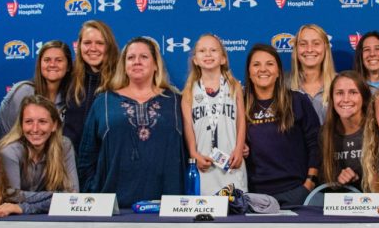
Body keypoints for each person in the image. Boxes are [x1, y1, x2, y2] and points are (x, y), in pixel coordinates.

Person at [78, 37, 185, 207]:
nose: (137, 62)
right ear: (124, 66)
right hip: (113, 207)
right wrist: (93, 195)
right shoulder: (104, 101)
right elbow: (86, 156)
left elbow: (192, 149)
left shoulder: (176, 101)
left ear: (156, 64)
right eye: (130, 57)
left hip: (169, 207)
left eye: (144, 57)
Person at [244, 43, 320, 207]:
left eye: (269, 64)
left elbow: (316, 143)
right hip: (254, 195)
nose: (263, 69)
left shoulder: (297, 101)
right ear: (249, 73)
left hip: (295, 193)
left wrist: (309, 183)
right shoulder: (239, 105)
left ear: (278, 71)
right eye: (256, 64)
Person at [180, 34, 247, 194]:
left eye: (213, 50)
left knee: (236, 212)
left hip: (231, 161)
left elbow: (241, 121)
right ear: (195, 60)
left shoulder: (234, 86)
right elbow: (188, 125)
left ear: (223, 58)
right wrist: (193, 153)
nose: (208, 54)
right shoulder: (189, 91)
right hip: (204, 163)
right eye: (202, 51)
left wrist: (239, 148)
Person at [0, 95, 78, 192]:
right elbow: (13, 197)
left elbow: (72, 194)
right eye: (29, 122)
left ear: (54, 125)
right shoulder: (9, 152)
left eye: (42, 122)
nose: (35, 129)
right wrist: (53, 196)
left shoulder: (64, 145)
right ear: (21, 125)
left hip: (46, 207)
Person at [63, 20, 120, 153]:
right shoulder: (68, 77)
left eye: (100, 43)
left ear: (109, 46)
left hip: (107, 162)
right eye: (87, 43)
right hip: (71, 163)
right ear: (79, 46)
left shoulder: (122, 79)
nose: (93, 48)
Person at [0, 40, 73, 135]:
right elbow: (4, 131)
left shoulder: (72, 97)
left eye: (59, 60)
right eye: (47, 60)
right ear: (40, 64)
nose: (52, 64)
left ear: (68, 66)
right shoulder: (23, 91)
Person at [320, 71, 369, 188]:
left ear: (364, 97)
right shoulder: (325, 132)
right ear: (332, 98)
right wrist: (337, 176)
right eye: (339, 93)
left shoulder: (377, 129)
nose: (345, 99)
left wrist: (359, 178)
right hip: (338, 202)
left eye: (353, 92)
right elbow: (322, 176)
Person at [289, 23, 336, 124]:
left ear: (325, 48)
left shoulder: (339, 84)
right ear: (296, 49)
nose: (309, 49)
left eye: (316, 43)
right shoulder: (284, 86)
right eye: (303, 44)